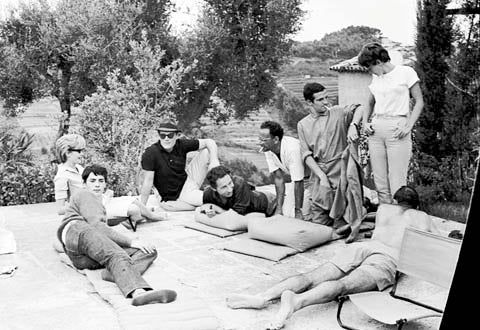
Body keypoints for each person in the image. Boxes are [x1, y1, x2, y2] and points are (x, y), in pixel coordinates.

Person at [226, 186, 439, 329]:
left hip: (362, 248)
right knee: (342, 286)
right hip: (386, 258)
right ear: (417, 205)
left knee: (312, 276)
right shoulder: (422, 217)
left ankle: (263, 296)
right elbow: (436, 245)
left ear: (395, 201)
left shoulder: (384, 209)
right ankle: (297, 302)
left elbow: (368, 217)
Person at [57, 164, 175, 306]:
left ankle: (113, 273)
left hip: (86, 257)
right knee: (116, 254)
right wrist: (131, 241)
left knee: (147, 251)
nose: (97, 185)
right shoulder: (84, 194)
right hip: (77, 231)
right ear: (84, 184)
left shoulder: (98, 202)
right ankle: (138, 291)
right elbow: (97, 226)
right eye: (92, 181)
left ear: (105, 184)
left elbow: (100, 231)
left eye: (101, 181)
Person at [358, 42, 424, 204]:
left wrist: (408, 126)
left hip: (397, 127)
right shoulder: (376, 78)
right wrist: (365, 122)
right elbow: (369, 103)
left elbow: (419, 101)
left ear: (378, 63)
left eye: (369, 67)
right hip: (376, 129)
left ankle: (399, 219)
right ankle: (384, 218)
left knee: (397, 181)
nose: (368, 70)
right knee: (380, 180)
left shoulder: (406, 72)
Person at [53, 134, 167, 225]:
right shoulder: (62, 176)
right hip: (90, 208)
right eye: (79, 151)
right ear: (68, 153)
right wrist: (81, 204)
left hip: (100, 200)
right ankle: (142, 217)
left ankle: (146, 215)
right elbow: (60, 210)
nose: (82, 154)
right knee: (134, 209)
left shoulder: (78, 168)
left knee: (133, 201)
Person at [297, 83, 363, 226]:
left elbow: (360, 108)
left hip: (340, 171)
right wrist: (321, 176)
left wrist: (353, 125)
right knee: (318, 220)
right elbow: (306, 155)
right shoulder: (303, 124)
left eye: (326, 97)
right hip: (319, 174)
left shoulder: (338, 112)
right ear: (309, 102)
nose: (326, 102)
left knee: (343, 220)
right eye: (320, 99)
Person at [140, 122, 220, 210]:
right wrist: (141, 207)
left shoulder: (181, 144)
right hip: (180, 193)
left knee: (208, 151)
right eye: (163, 135)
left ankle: (218, 186)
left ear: (177, 135)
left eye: (170, 135)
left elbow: (210, 142)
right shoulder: (151, 153)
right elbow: (148, 181)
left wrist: (214, 160)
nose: (166, 139)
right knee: (215, 200)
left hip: (187, 179)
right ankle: (191, 204)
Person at [259, 121, 310, 220]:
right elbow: (278, 179)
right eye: (259, 139)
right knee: (286, 214)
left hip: (311, 182)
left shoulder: (292, 149)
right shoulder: (267, 149)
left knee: (300, 216)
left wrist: (298, 210)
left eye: (263, 140)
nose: (260, 142)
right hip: (297, 183)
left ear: (276, 139)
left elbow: (298, 182)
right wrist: (279, 208)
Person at [197, 165, 277, 221]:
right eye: (224, 187)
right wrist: (209, 210)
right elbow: (206, 207)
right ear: (214, 188)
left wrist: (217, 209)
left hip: (269, 203)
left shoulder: (239, 184)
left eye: (230, 183)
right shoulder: (208, 193)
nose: (229, 189)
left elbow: (235, 217)